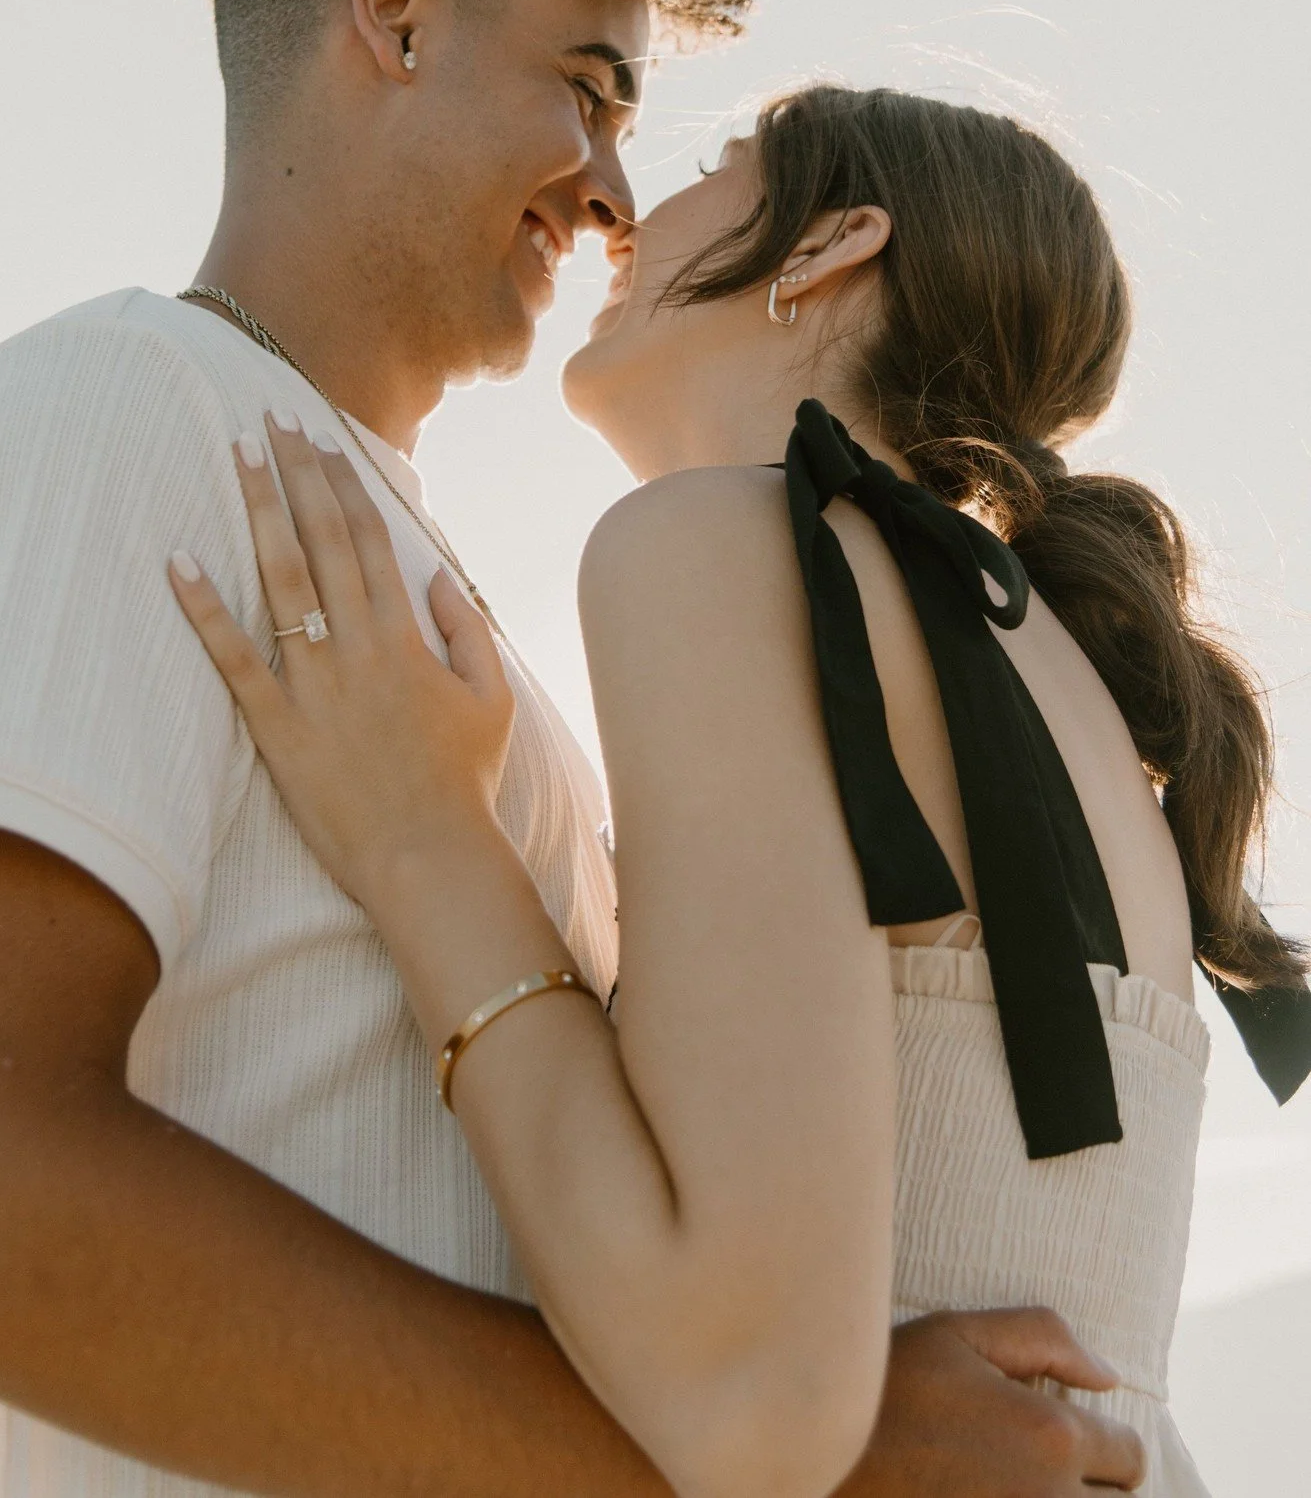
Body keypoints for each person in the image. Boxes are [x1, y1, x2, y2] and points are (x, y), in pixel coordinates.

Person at [0, 0, 1148, 1497]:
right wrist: (805, 1477)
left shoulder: (467, 617)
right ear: (393, 18)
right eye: (589, 85)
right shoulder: (125, 410)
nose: (616, 190)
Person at [170, 86, 1311, 1496]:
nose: (623, 218)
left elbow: (748, 1403)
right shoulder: (1050, 676)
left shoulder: (725, 549)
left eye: (714, 167)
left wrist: (418, 834)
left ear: (832, 245)